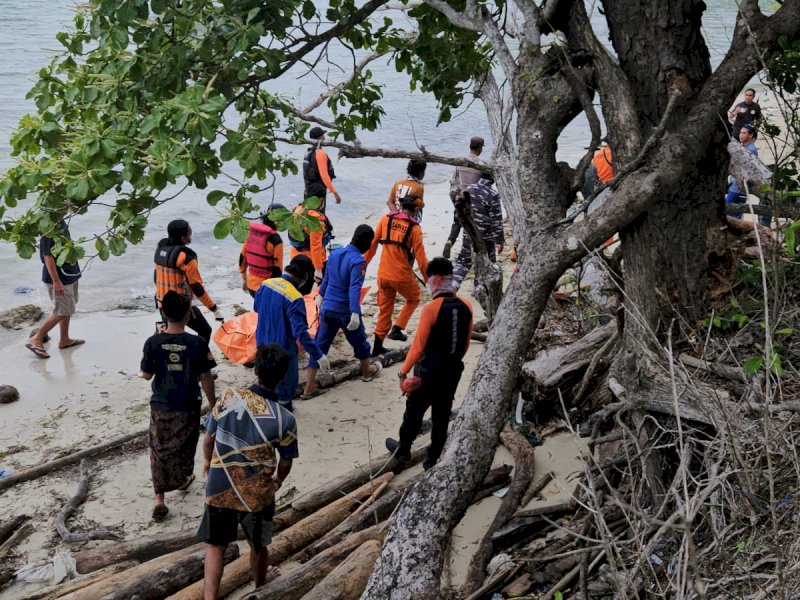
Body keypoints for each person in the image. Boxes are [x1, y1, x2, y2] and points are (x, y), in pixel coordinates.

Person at [198, 344, 297, 598]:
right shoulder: (284, 418)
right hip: (257, 494)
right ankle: (259, 587)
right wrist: (277, 482)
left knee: (216, 546)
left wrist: (208, 463)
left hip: (220, 486)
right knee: (258, 545)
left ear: (255, 369)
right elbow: (286, 461)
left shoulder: (228, 397)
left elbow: (208, 439)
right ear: (283, 376)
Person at [385, 258, 473, 470]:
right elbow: (465, 344)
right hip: (452, 370)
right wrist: (452, 361)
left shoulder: (431, 308)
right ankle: (433, 457)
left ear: (435, 280)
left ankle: (404, 449)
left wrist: (403, 372)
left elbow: (418, 347)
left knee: (414, 412)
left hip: (428, 372)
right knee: (442, 414)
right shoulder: (466, 305)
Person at [140, 291, 216, 521]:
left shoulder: (153, 342)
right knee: (185, 444)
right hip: (188, 403)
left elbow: (146, 375)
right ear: (188, 315)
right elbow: (206, 377)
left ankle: (159, 498)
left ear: (163, 314)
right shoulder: (197, 343)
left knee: (158, 449)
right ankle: (183, 478)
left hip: (161, 404)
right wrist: (213, 404)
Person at [303, 225, 382, 398]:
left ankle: (309, 387)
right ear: (367, 243)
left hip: (327, 309)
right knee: (359, 341)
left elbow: (327, 278)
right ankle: (367, 371)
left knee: (319, 346)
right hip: (345, 310)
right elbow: (354, 287)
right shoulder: (359, 261)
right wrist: (354, 312)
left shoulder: (335, 254)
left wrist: (320, 296)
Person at [253, 255, 330, 410]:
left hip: (261, 343)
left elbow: (256, 308)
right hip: (283, 350)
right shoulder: (294, 297)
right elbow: (300, 332)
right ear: (306, 276)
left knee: (266, 382)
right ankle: (284, 412)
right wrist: (318, 355)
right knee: (286, 388)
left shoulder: (266, 284)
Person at [365, 196, 430, 354]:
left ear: (401, 206)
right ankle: (398, 328)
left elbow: (372, 244)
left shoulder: (385, 219)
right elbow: (421, 258)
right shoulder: (414, 228)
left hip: (383, 274)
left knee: (385, 311)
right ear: (416, 210)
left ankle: (377, 347)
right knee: (414, 298)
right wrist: (428, 278)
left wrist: (363, 265)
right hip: (402, 275)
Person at [154, 219, 223, 343]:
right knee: (205, 330)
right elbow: (197, 287)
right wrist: (214, 309)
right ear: (183, 238)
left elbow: (156, 279)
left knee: (168, 333)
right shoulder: (187, 258)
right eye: (189, 234)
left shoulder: (160, 251)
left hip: (162, 303)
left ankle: (159, 344)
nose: (190, 236)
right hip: (181, 306)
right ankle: (199, 354)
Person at [26, 219, 84, 359]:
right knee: (62, 310)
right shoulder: (48, 225)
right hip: (59, 278)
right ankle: (37, 338)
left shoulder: (60, 221)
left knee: (67, 308)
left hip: (69, 274)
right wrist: (56, 281)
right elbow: (47, 256)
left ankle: (64, 339)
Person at [453, 172, 504, 288]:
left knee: (463, 261)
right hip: (486, 237)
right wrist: (499, 241)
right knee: (486, 264)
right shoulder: (492, 194)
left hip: (468, 233)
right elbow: (496, 220)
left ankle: (453, 285)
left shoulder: (468, 189)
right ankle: (479, 289)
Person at [444, 136, 485, 259]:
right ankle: (471, 251)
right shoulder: (481, 165)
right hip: (473, 199)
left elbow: (454, 181)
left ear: (470, 146)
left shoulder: (461, 162)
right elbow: (483, 184)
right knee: (472, 226)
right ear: (480, 148)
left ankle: (450, 241)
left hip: (460, 197)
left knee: (457, 221)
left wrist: (455, 199)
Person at [240, 205, 285, 297]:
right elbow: (278, 268)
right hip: (266, 287)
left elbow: (242, 257)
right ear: (277, 221)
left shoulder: (252, 233)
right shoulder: (275, 240)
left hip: (251, 285)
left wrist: (244, 278)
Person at [288, 202, 332, 287]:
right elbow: (315, 246)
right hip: (310, 262)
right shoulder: (316, 220)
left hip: (295, 256)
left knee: (296, 287)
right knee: (308, 290)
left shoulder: (297, 210)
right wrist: (318, 269)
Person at [725, 124, 760, 220]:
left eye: (744, 133)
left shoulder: (751, 150)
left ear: (751, 135)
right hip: (735, 185)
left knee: (730, 211)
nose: (741, 135)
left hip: (739, 187)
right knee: (734, 213)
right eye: (740, 133)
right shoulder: (744, 148)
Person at [303, 126, 341, 212]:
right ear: (321, 138)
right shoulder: (320, 153)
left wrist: (306, 190)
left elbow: (305, 174)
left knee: (308, 215)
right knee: (318, 216)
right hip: (318, 192)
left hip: (309, 190)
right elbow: (324, 175)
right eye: (323, 136)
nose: (324, 138)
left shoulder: (308, 153)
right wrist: (335, 193)